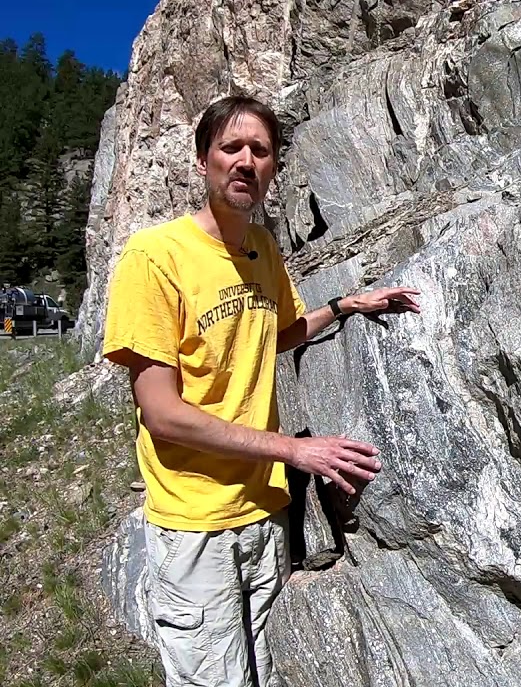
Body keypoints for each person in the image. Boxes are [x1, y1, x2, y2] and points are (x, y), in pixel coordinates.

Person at [102, 95, 420, 687]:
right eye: (231, 148)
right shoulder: (154, 257)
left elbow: (275, 334)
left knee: (269, 676)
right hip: (195, 523)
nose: (246, 161)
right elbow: (164, 414)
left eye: (261, 151)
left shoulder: (262, 250)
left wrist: (347, 304)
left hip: (265, 514)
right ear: (204, 161)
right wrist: (294, 451)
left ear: (274, 168)